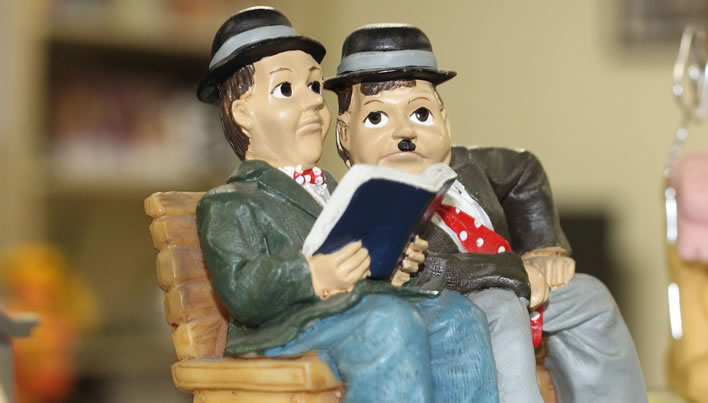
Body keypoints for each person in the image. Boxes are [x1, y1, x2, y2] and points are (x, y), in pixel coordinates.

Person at [326, 24, 648, 403]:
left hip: (520, 286)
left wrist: (542, 248)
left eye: (422, 114)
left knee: (591, 298)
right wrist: (514, 272)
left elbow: (525, 171)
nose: (405, 133)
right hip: (446, 304)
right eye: (377, 119)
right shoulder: (363, 205)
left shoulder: (468, 166)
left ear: (445, 120)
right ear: (345, 136)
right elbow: (427, 270)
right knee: (502, 310)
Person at [194, 8, 498, 402]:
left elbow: (356, 260)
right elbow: (242, 290)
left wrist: (390, 263)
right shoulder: (230, 203)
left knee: (459, 316)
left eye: (314, 86)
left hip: (349, 309)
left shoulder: (340, 188)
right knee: (388, 324)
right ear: (243, 112)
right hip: (284, 327)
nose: (312, 103)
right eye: (286, 89)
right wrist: (313, 275)